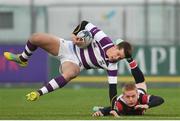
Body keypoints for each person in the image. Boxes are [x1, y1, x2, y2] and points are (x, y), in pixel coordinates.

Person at [3, 20, 132, 107]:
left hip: (75, 62)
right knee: (36, 37)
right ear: (115, 46)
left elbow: (113, 89)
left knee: (71, 73)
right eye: (118, 54)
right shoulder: (104, 40)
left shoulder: (112, 66)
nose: (116, 58)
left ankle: (38, 92)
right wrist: (74, 35)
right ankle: (23, 59)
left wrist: (114, 108)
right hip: (68, 47)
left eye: (120, 59)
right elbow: (85, 24)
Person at [92, 61, 164, 117]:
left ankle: (130, 60)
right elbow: (109, 109)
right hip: (119, 104)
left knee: (141, 82)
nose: (131, 99)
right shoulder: (121, 103)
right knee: (114, 109)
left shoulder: (141, 97)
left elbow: (160, 99)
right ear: (123, 96)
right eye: (128, 97)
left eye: (133, 96)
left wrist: (147, 105)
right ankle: (100, 108)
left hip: (139, 89)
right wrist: (101, 112)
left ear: (137, 95)